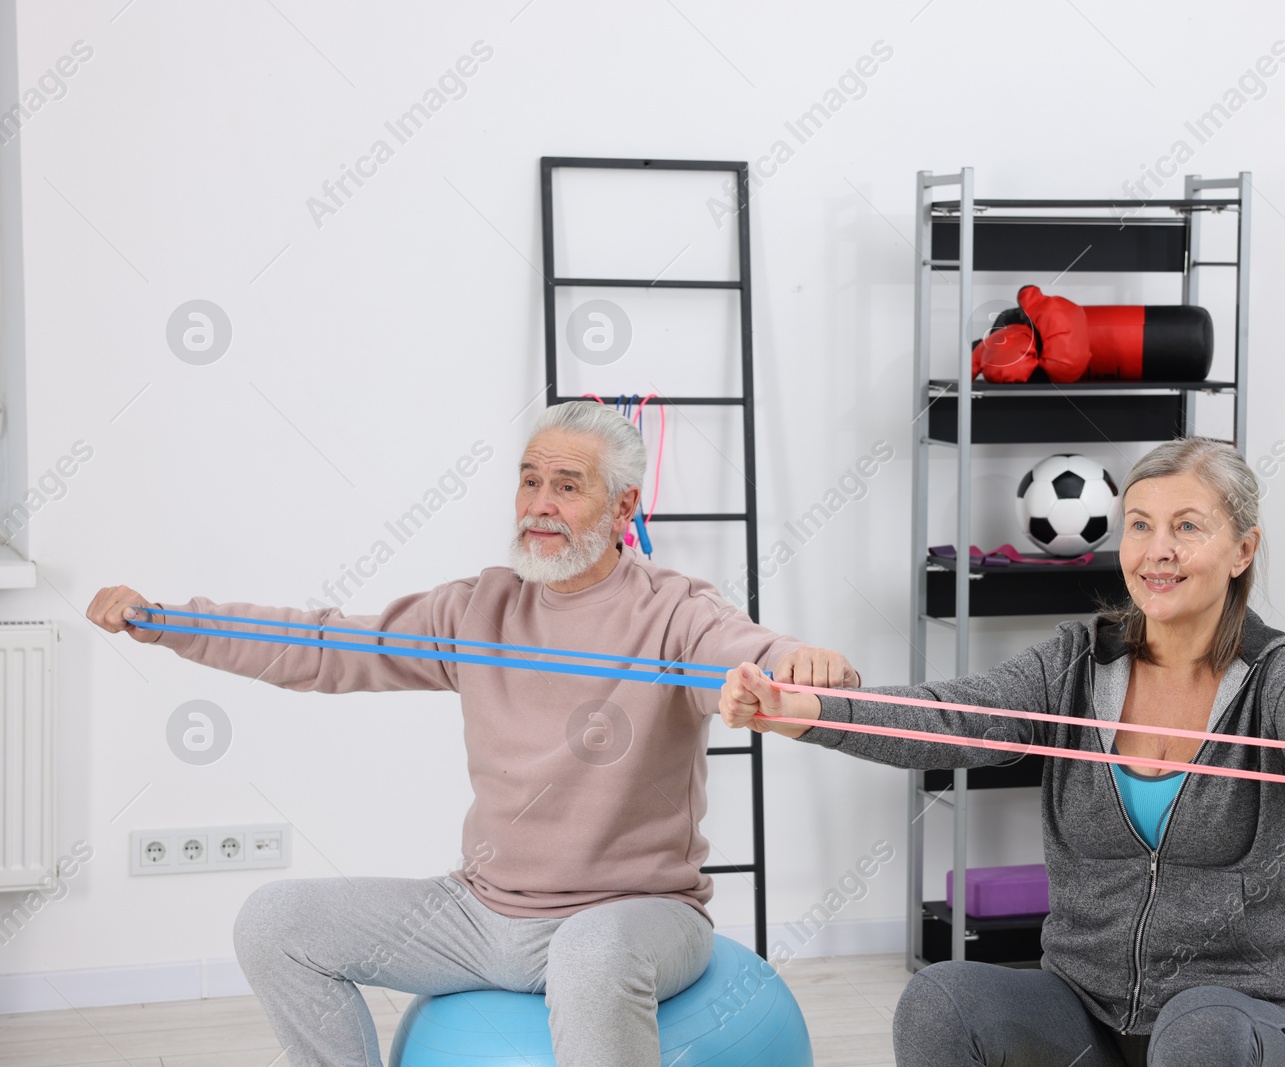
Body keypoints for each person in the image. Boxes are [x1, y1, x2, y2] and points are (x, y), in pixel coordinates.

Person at [86, 401, 857, 1067]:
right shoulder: (479, 609)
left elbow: (755, 656)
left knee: (588, 955)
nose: (539, 504)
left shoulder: (676, 611)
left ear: (625, 509)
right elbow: (324, 648)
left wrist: (800, 668)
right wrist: (173, 625)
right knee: (275, 922)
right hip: (483, 913)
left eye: (567, 485)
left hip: (639, 914)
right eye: (529, 480)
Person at [720, 437, 1285, 1067]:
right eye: (1140, 524)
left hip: (1244, 1027)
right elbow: (954, 716)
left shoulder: (1282, 672)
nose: (1156, 550)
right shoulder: (1076, 663)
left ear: (1242, 549)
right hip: (1089, 1018)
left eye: (1187, 526)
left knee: (1197, 1028)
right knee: (939, 999)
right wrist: (801, 711)